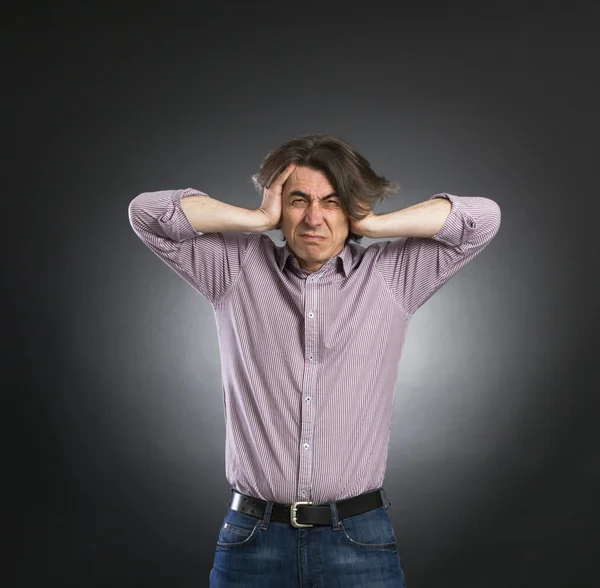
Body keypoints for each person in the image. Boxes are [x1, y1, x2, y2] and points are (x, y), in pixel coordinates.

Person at [127, 133, 501, 587]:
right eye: (298, 200)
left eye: (333, 201)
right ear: (280, 207)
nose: (314, 218)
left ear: (352, 207)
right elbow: (146, 213)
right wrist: (255, 218)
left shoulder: (391, 276)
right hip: (253, 541)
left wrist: (373, 225)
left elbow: (483, 218)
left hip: (359, 540)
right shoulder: (235, 268)